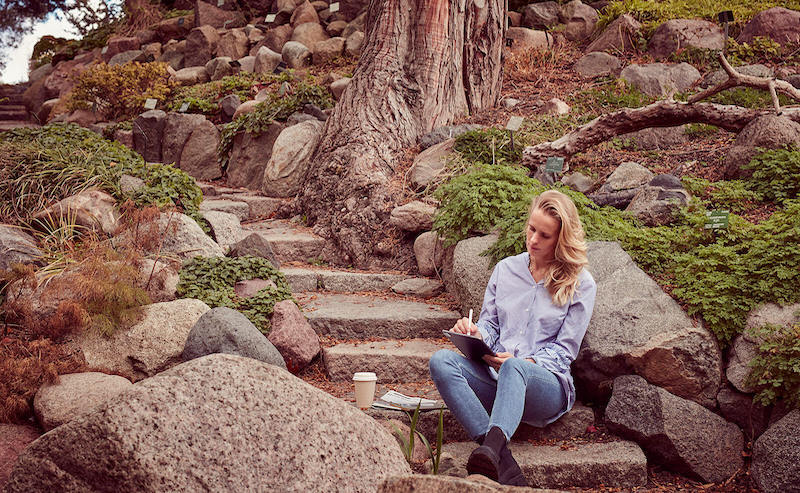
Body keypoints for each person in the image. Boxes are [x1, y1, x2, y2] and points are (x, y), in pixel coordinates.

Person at [429, 189, 597, 486]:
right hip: (497, 379)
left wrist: (524, 361)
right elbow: (492, 325)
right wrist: (475, 333)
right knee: (441, 361)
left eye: (545, 236)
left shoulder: (581, 283)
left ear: (561, 239)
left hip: (545, 387)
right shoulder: (505, 270)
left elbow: (564, 351)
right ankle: (496, 454)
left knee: (514, 367)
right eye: (532, 229)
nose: (533, 240)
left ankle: (492, 448)